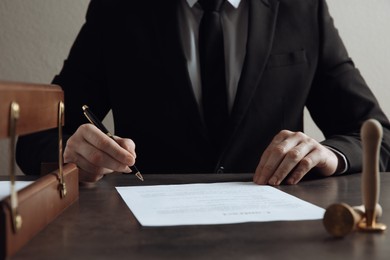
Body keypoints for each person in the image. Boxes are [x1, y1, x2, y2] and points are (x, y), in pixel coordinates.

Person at [16, 0, 390, 184]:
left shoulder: (301, 7)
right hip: (143, 241)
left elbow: (379, 135)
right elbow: (35, 135)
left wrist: (331, 154)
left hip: (276, 239)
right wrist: (69, 152)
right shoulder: (118, 9)